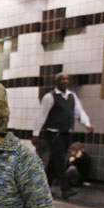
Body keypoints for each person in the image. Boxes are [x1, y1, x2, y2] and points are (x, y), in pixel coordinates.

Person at [33, 72, 94, 200]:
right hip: (54, 133)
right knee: (60, 160)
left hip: (67, 133)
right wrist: (36, 134)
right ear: (56, 82)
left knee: (54, 161)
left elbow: (79, 112)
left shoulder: (72, 96)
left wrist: (87, 124)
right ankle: (65, 189)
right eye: (62, 79)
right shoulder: (49, 97)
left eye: (66, 79)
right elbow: (41, 116)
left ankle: (43, 187)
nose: (65, 81)